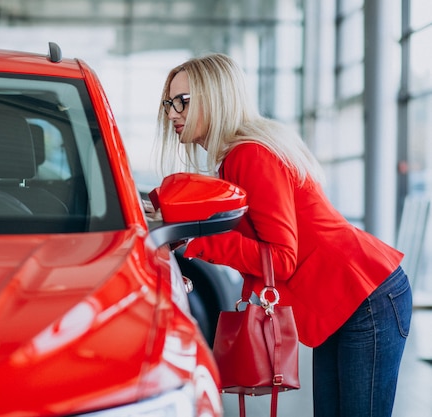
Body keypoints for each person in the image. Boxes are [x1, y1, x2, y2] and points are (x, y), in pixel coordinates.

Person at [154, 53, 412, 417]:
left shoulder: (249, 154)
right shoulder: (239, 155)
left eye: (182, 102)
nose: (171, 114)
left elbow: (280, 258)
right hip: (347, 296)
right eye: (168, 103)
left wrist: (200, 242)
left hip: (364, 295)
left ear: (216, 98)